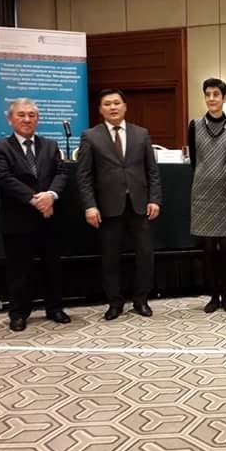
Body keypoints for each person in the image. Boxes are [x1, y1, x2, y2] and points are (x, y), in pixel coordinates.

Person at [77, 88, 162, 321]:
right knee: (110, 258)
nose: (112, 107)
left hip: (139, 205)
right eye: (107, 104)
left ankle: (141, 300)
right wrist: (90, 205)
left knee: (145, 255)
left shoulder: (141, 134)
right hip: (107, 208)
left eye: (116, 103)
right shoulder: (90, 136)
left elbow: (152, 171)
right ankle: (115, 303)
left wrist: (154, 199)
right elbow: (84, 176)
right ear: (100, 109)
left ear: (125, 106)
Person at [0, 98, 70, 332]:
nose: (27, 119)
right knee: (19, 269)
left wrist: (51, 195)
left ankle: (55, 308)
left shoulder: (51, 145)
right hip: (18, 218)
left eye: (32, 115)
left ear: (37, 119)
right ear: (10, 119)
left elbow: (62, 173)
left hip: (49, 217)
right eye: (21, 115)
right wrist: (36, 200)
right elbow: (4, 179)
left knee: (52, 266)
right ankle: (18, 313)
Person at [189, 78, 226, 313]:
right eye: (208, 94)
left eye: (216, 95)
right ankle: (213, 296)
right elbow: (194, 160)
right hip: (202, 193)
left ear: (224, 98)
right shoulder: (194, 125)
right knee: (208, 250)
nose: (211, 99)